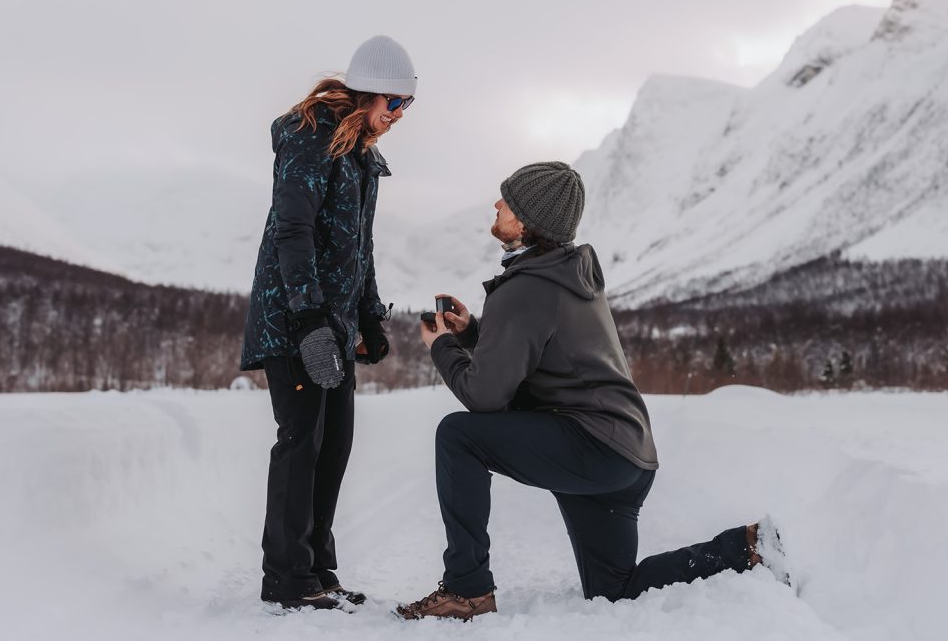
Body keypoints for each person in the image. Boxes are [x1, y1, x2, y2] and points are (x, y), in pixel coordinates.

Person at [397, 162, 782, 621]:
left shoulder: (526, 289)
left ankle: (467, 590)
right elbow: (543, 352)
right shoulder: (566, 274)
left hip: (591, 446)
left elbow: (484, 397)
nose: (497, 205)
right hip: (626, 455)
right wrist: (474, 333)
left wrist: (441, 346)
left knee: (458, 434)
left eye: (507, 201)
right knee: (613, 591)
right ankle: (748, 548)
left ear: (525, 221)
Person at [240, 35, 416, 610]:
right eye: (393, 103)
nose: (397, 116)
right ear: (369, 93)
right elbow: (293, 232)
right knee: (301, 442)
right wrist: (311, 318)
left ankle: (317, 571)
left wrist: (368, 316)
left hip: (335, 324)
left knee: (334, 443)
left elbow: (358, 247)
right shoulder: (308, 137)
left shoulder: (361, 157)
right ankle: (287, 580)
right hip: (295, 319)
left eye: (406, 107)